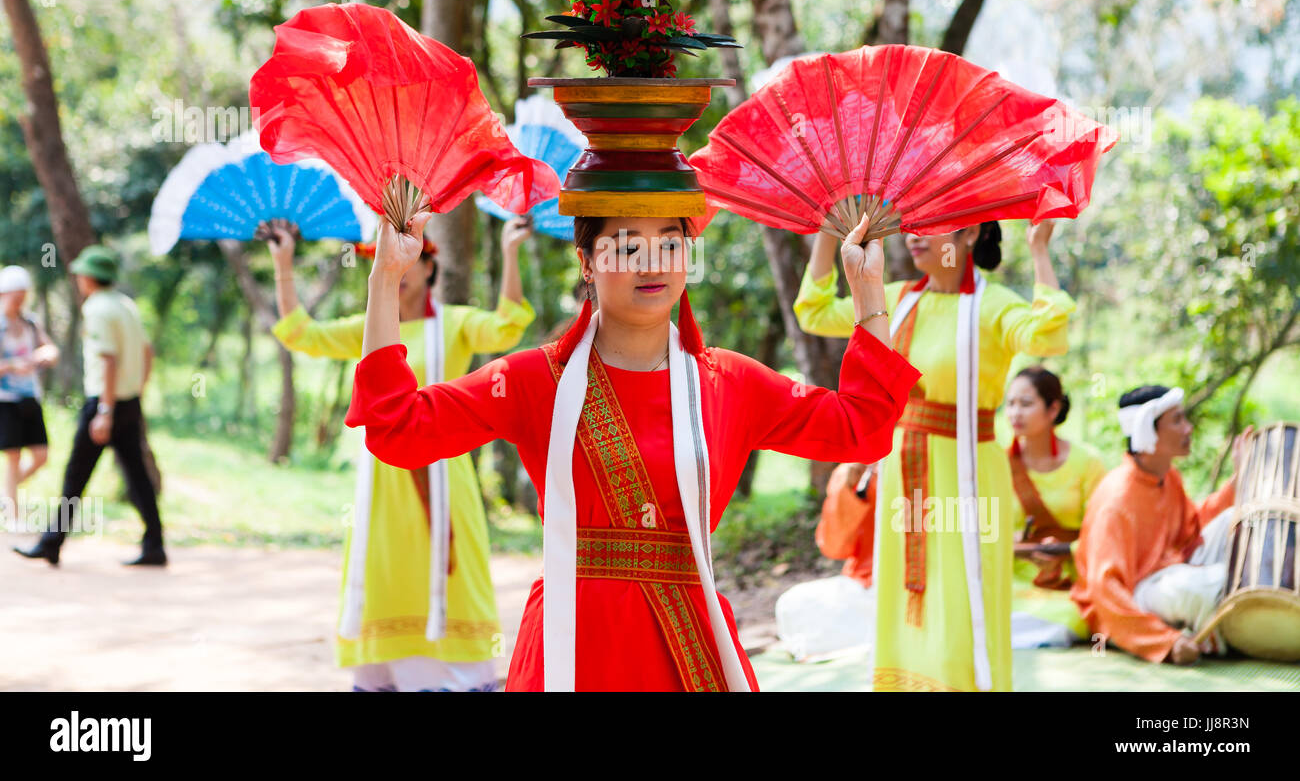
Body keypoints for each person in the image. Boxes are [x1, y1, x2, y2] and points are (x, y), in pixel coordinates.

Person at [345, 209, 920, 691]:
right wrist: (385, 281)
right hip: (574, 642)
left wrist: (868, 288)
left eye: (671, 243)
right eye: (626, 247)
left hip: (687, 645)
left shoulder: (730, 383)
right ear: (587, 263)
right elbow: (397, 427)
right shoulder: (531, 379)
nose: (653, 263)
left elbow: (861, 428)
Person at [795, 219, 1074, 691]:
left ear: (970, 236)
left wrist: (1039, 249)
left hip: (969, 474)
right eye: (913, 225)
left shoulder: (992, 304)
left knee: (964, 596)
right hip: (903, 472)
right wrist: (827, 229)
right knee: (904, 593)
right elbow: (815, 312)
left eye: (934, 226)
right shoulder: (897, 298)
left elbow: (1047, 335)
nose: (914, 236)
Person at [268, 217, 536, 692]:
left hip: (443, 473)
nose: (401, 270)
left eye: (413, 261)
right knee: (385, 570)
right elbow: (298, 333)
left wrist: (510, 249)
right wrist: (283, 261)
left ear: (431, 267)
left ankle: (456, 677)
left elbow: (507, 327)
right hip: (381, 477)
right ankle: (385, 676)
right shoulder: (369, 330)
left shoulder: (455, 323)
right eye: (384, 262)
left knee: (455, 572)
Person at [1071, 386, 1249, 664]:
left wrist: (1236, 483)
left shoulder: (1167, 476)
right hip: (1132, 598)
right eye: (1177, 420)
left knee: (1237, 520)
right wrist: (1165, 642)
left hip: (1168, 574)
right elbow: (1105, 591)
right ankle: (1235, 635)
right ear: (1148, 430)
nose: (1188, 428)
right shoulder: (1116, 499)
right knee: (1208, 585)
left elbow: (1192, 528)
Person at [14, 246, 163, 567]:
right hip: (128, 400)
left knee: (76, 475)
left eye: (81, 273)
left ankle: (51, 543)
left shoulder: (97, 308)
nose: (78, 278)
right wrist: (136, 390)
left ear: (90, 277)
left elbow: (108, 360)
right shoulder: (126, 305)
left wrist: (105, 412)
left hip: (104, 404)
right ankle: (155, 544)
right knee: (137, 475)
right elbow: (147, 352)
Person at [1002, 366, 1107, 648]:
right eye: (1010, 404)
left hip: (1068, 582)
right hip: (1011, 582)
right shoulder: (996, 463)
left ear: (1053, 409)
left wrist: (1064, 550)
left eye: (1025, 404)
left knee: (1072, 616)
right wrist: (1010, 543)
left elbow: (1103, 533)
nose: (1015, 413)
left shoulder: (1087, 463)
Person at [773, 460, 879, 660]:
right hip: (865, 589)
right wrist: (846, 489)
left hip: (915, 587)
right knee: (792, 602)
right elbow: (834, 548)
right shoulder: (860, 470)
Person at [1, 265, 59, 525]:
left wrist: (42, 356)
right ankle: (12, 514)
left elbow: (51, 350)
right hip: (5, 400)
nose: (20, 301)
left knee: (40, 456)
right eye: (16, 295)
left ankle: (5, 497)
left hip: (29, 397)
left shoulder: (30, 323)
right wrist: (14, 366)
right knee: (13, 456)